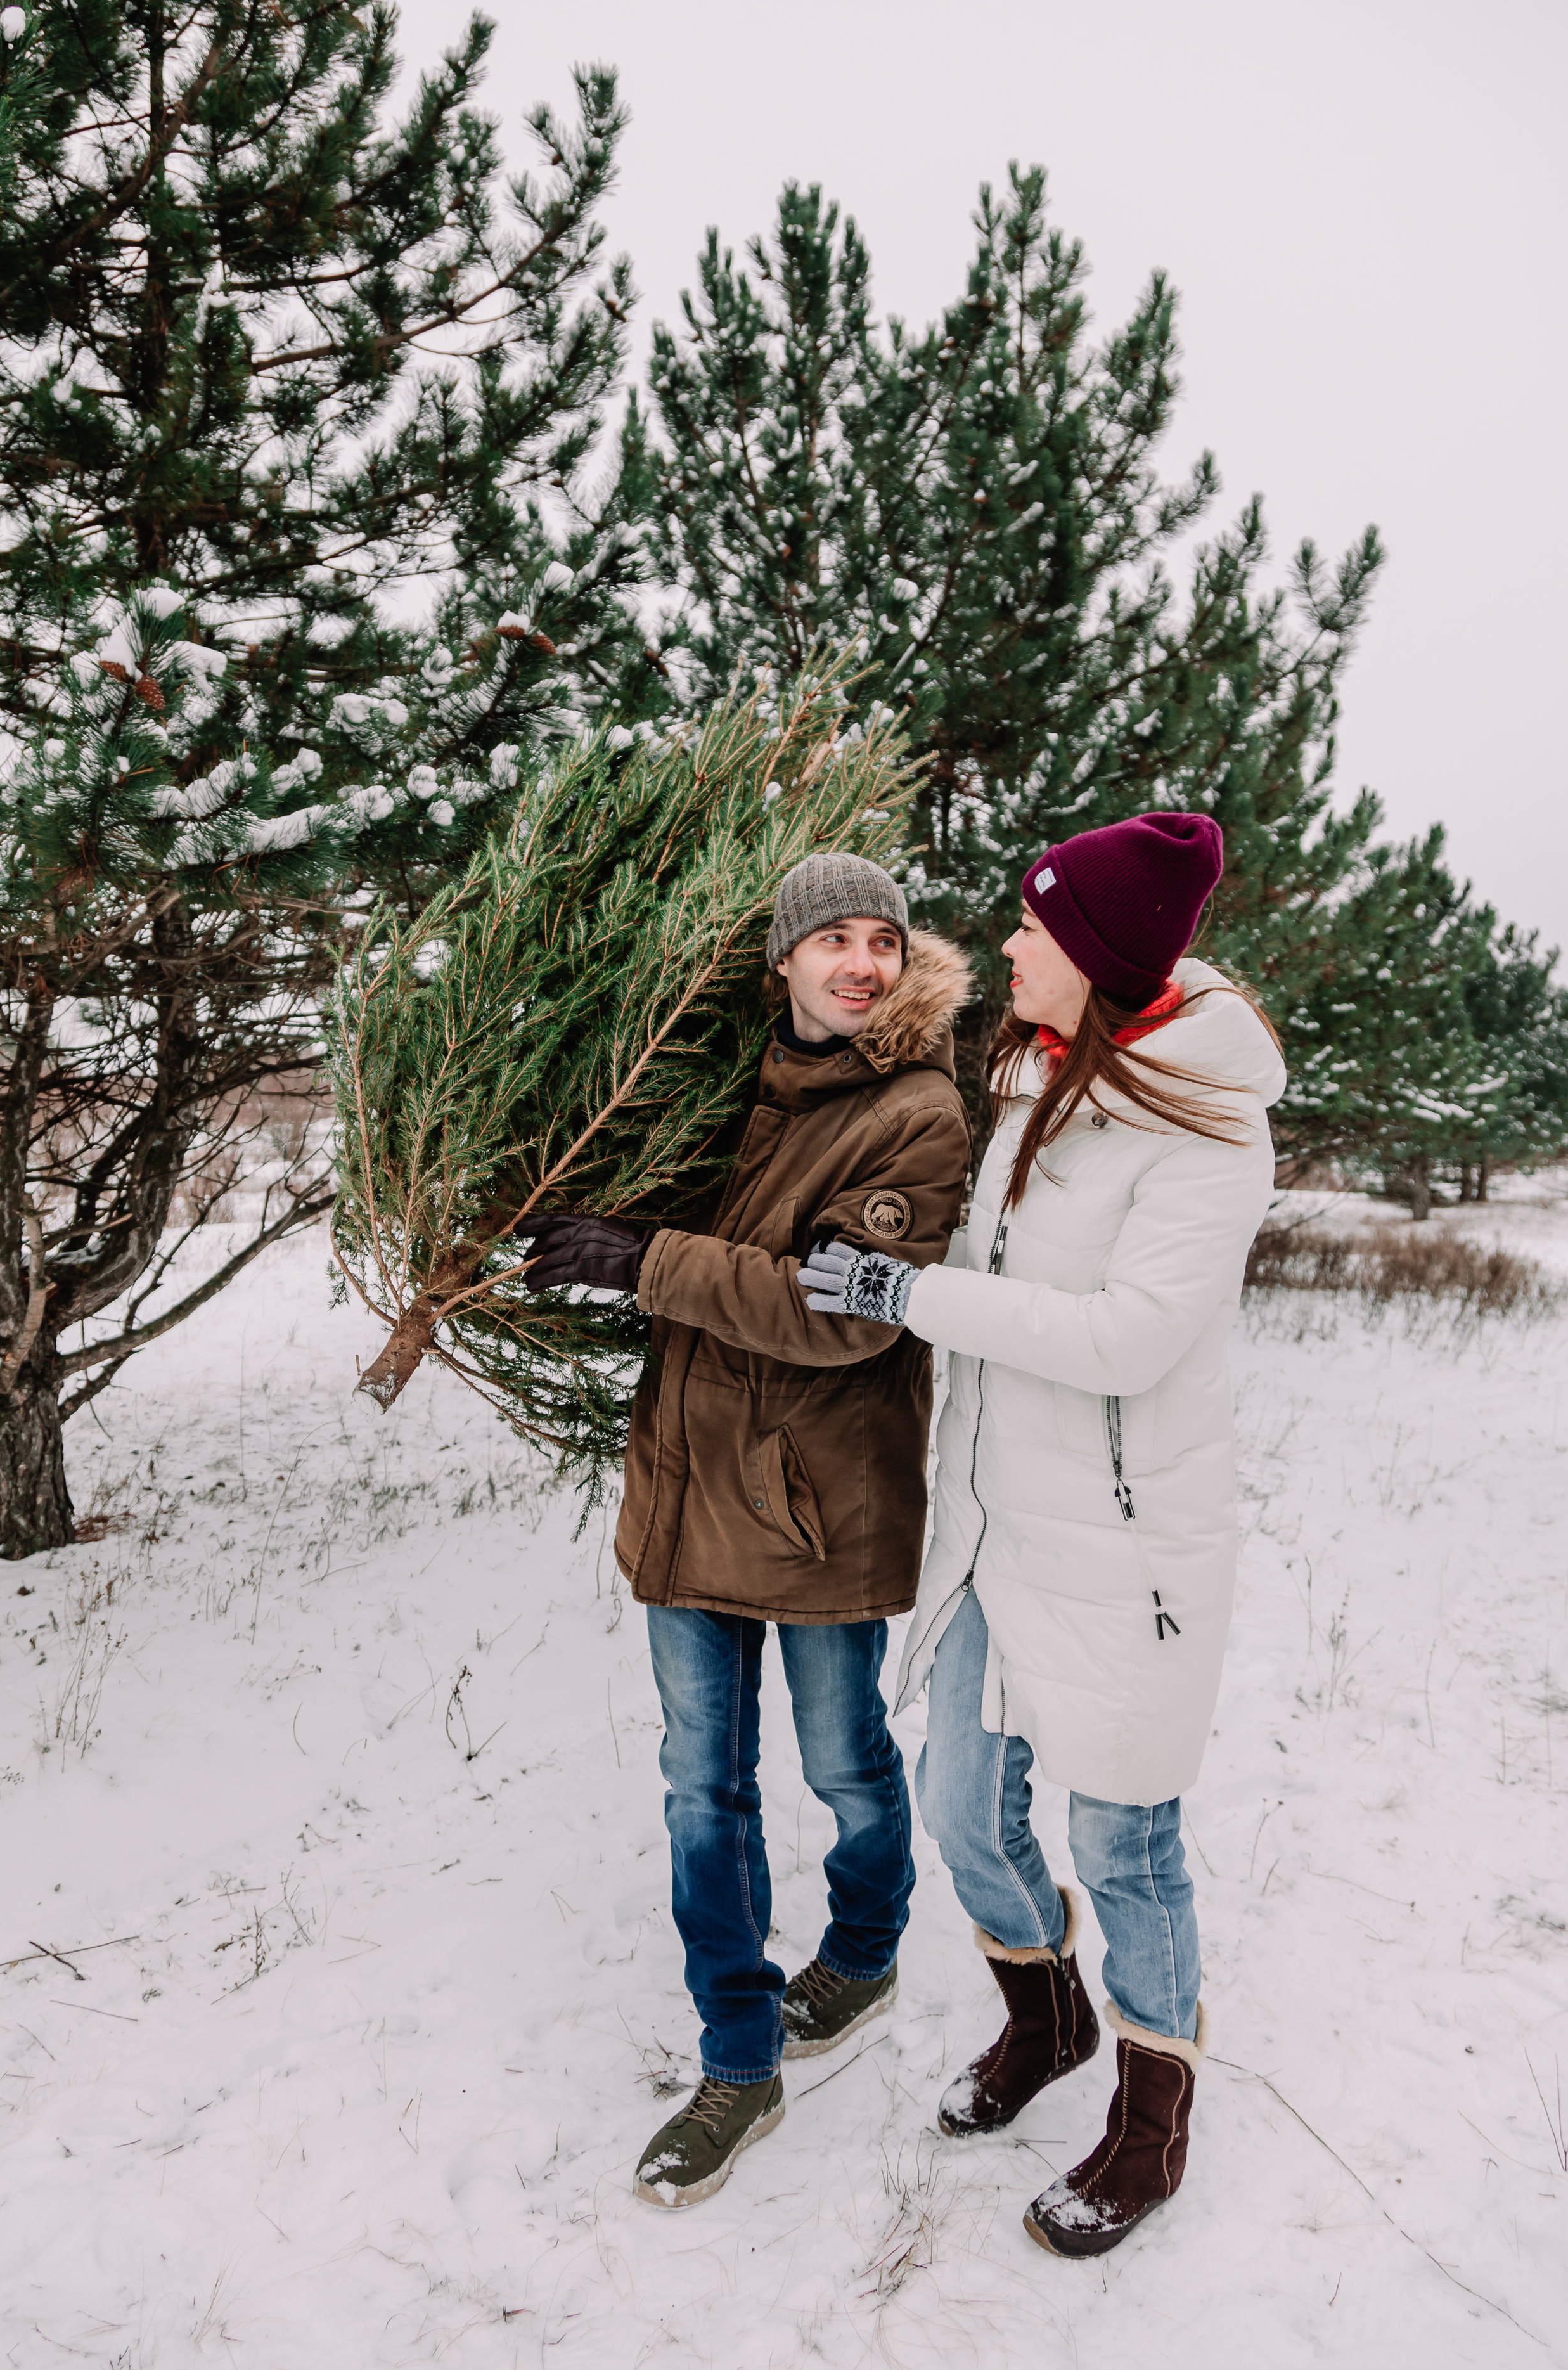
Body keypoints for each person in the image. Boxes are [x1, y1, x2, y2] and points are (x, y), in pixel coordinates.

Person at [800, 811, 1286, 2258]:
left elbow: (1127, 1337)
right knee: (959, 1809)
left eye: (1033, 926)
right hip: (996, 1525)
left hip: (1126, 1551)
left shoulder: (1209, 1126)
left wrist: (906, 1297)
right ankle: (1047, 2013)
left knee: (1124, 1843)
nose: (1008, 941)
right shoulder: (1030, 1075)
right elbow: (980, 1254)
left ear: (1095, 954)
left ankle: (1150, 2125)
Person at [522, 854, 972, 2208]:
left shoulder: (917, 1114)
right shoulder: (719, 1088)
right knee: (698, 1786)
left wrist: (643, 1257)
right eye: (829, 938)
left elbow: (845, 1310)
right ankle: (736, 2053)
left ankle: (866, 1947)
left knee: (843, 1761)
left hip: (819, 1496)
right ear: (778, 961)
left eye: (881, 941)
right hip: (685, 1484)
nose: (860, 962)